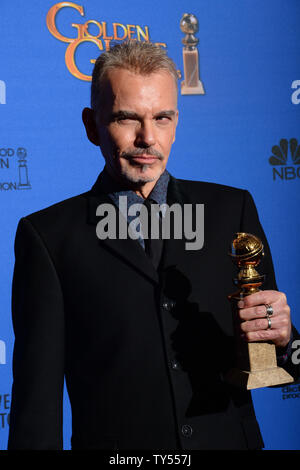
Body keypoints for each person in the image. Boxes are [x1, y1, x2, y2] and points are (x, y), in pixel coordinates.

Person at [8, 41, 298, 450]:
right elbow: (36, 406)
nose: (148, 138)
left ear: (176, 122)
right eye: (127, 118)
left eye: (162, 117)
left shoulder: (232, 211)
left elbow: (281, 355)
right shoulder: (49, 237)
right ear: (92, 125)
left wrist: (285, 341)